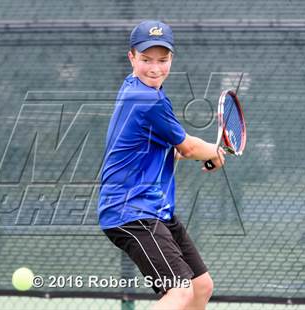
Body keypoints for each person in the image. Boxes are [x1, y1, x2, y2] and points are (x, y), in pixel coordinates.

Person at [98, 20, 226, 310]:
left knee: (200, 286)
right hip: (130, 210)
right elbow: (189, 146)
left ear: (172, 59)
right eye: (146, 59)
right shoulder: (146, 98)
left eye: (162, 59)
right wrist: (214, 152)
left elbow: (158, 147)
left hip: (155, 209)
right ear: (131, 57)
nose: (155, 68)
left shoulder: (135, 87)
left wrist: (187, 153)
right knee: (180, 292)